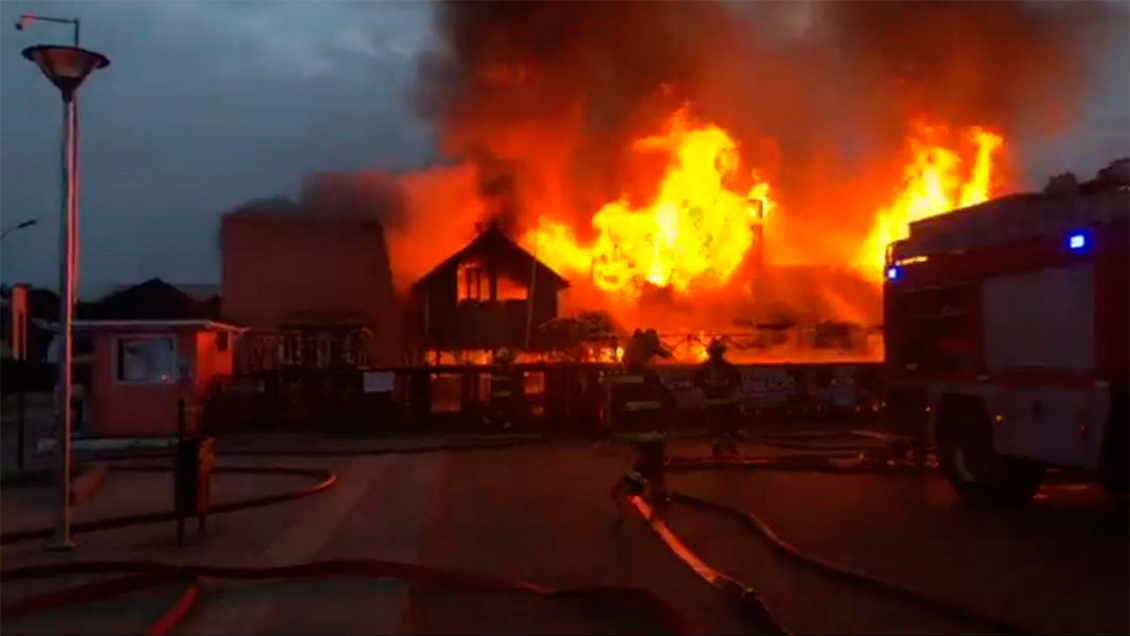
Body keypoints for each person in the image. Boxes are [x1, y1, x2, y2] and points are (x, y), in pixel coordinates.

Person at [694, 338, 743, 459]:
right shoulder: (727, 367)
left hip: (719, 401)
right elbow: (697, 381)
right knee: (723, 425)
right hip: (722, 401)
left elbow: (697, 381)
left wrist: (708, 388)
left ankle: (723, 447)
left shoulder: (706, 368)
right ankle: (725, 447)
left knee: (721, 426)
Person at [487, 347, 517, 430]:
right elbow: (510, 373)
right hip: (503, 390)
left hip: (497, 390)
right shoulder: (505, 364)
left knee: (495, 407)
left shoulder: (494, 363)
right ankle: (506, 423)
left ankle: (492, 422)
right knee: (504, 407)